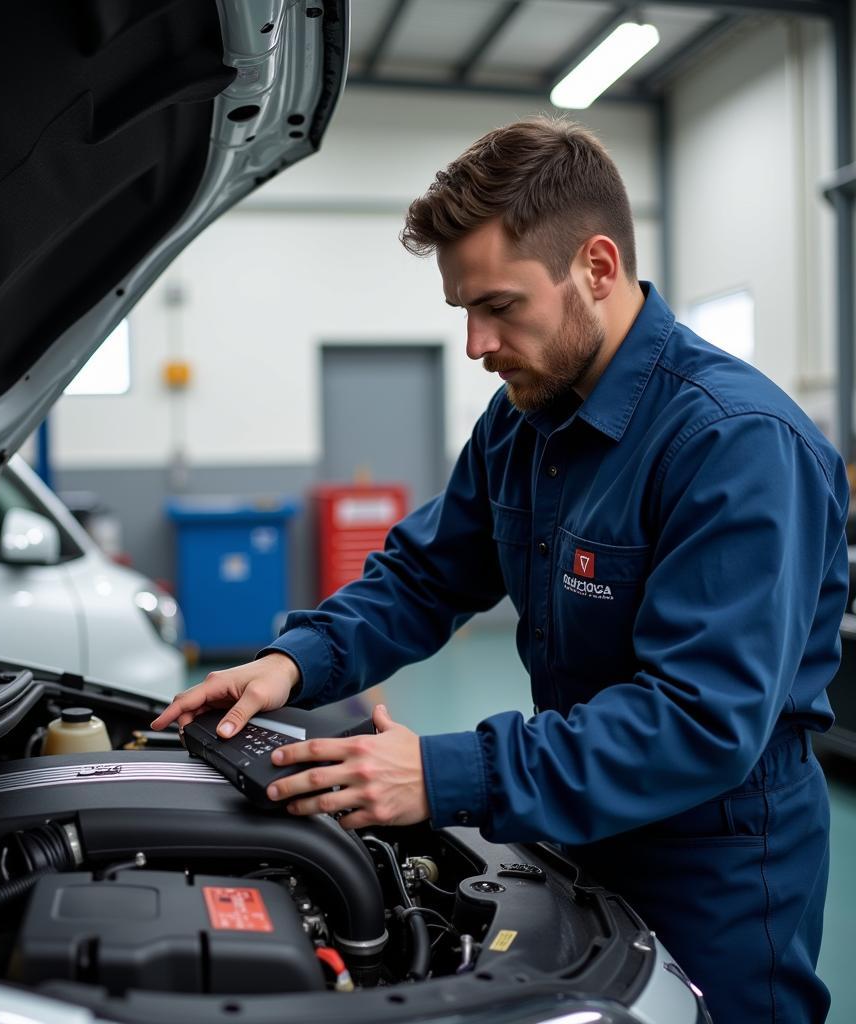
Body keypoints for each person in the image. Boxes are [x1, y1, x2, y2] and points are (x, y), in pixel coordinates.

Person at [152, 117, 847, 1022]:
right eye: (463, 312)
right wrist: (293, 661)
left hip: (711, 862)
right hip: (570, 824)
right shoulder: (522, 420)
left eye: (501, 307)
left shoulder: (736, 444)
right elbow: (424, 577)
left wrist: (443, 776)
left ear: (597, 268)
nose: (476, 345)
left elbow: (698, 721)